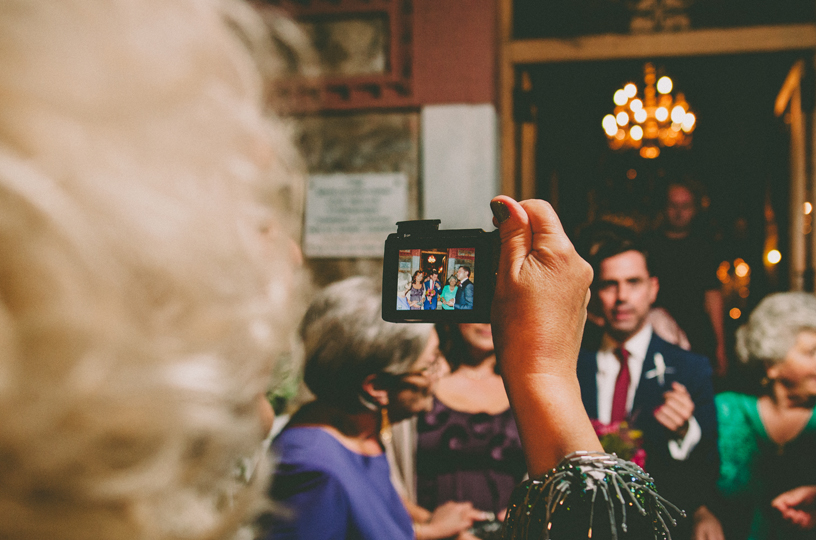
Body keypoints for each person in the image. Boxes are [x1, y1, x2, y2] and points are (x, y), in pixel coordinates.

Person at [267, 277, 485, 540]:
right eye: (430, 364)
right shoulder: (312, 470)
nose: (445, 371)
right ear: (378, 387)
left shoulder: (357, 432)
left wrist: (430, 529)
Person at [576, 234, 720, 540]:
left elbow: (708, 464)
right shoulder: (573, 365)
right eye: (609, 284)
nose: (621, 296)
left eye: (633, 282)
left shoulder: (690, 369)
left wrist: (684, 432)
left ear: (653, 288)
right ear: (595, 293)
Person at [714, 292, 816, 540]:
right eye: (811, 352)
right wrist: (702, 512)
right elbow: (692, 482)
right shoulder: (725, 410)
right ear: (772, 364)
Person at [416, 323, 526, 517]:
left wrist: (524, 511)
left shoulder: (525, 390)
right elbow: (390, 475)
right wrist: (432, 527)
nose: (487, 321)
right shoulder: (422, 385)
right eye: (477, 311)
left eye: (494, 307)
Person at [645, 181, 727, 376]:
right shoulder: (648, 246)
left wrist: (721, 346)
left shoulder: (705, 246)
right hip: (656, 332)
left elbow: (713, 296)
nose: (679, 212)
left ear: (695, 209)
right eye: (673, 205)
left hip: (698, 335)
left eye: (686, 206)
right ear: (664, 208)